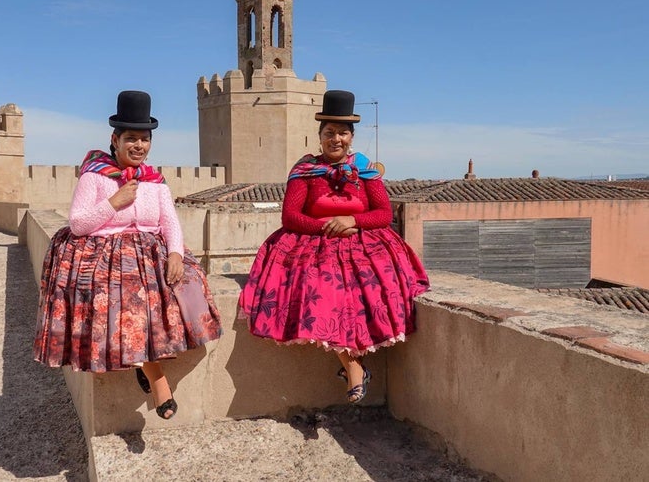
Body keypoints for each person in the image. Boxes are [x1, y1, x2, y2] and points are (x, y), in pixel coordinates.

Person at [33, 90, 222, 420]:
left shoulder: (155, 182)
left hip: (150, 253)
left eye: (144, 139)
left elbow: (169, 222)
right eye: (131, 138)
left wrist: (176, 254)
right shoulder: (95, 176)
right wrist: (114, 203)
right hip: (106, 254)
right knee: (131, 303)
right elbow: (77, 224)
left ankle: (144, 363)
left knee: (181, 289)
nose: (139, 146)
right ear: (115, 140)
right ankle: (159, 382)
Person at [238, 90, 429, 404]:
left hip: (361, 241)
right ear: (320, 137)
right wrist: (326, 227)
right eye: (329, 133)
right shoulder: (305, 172)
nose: (336, 139)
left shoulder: (364, 171)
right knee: (326, 293)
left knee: (365, 291)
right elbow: (291, 216)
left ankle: (354, 369)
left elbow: (382, 213)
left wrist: (352, 221)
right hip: (314, 245)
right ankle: (353, 368)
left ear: (351, 137)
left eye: (342, 133)